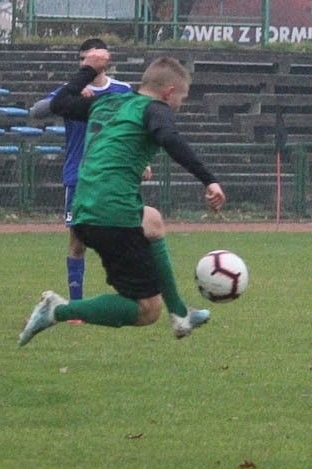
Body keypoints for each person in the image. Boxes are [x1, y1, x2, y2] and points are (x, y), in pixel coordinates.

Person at [18, 50, 226, 346]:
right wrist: (209, 180)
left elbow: (60, 104)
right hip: (112, 214)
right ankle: (58, 310)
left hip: (85, 205)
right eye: (181, 97)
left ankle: (180, 313)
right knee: (146, 310)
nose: (180, 104)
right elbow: (170, 138)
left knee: (152, 221)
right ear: (168, 93)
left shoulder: (108, 102)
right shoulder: (155, 109)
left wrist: (87, 71)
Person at [29, 38, 133, 304]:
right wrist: (72, 91)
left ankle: (131, 296)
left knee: (126, 235)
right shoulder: (69, 92)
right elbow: (36, 111)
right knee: (78, 241)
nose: (89, 63)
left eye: (94, 58)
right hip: (79, 176)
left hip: (113, 176)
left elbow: (133, 132)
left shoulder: (123, 91)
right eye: (84, 59)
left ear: (106, 61)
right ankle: (76, 305)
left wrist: (140, 162)